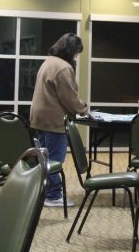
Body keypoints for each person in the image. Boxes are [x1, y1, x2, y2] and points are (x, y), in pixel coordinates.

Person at [30, 33, 88, 207]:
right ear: (70, 51)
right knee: (55, 159)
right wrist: (83, 109)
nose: (76, 57)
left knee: (44, 157)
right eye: (76, 53)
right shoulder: (63, 67)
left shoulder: (49, 61)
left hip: (39, 117)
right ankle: (53, 195)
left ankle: (45, 191)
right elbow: (68, 97)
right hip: (53, 119)